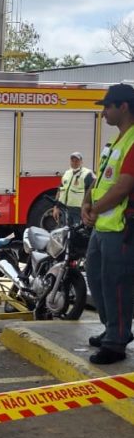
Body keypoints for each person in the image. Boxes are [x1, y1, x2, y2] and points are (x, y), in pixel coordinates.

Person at [81, 83, 134, 364]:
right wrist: (86, 204)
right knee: (97, 278)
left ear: (123, 107)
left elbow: (124, 186)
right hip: (103, 225)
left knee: (117, 283)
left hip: (121, 227)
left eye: (107, 107)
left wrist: (95, 209)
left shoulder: (133, 141)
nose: (103, 113)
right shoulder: (116, 142)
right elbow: (99, 179)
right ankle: (113, 328)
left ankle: (116, 341)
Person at [52, 152, 94, 226]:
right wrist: (56, 207)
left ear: (81, 161)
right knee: (64, 233)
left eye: (77, 160)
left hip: (79, 211)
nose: (74, 162)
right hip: (64, 210)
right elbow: (60, 190)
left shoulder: (87, 174)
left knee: (77, 234)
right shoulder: (67, 173)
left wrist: (89, 210)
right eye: (72, 160)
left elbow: (92, 193)